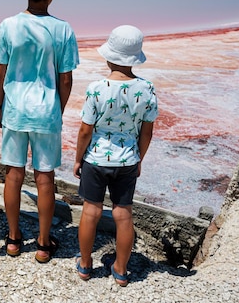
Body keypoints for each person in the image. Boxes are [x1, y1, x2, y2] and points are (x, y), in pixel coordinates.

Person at [0, 0, 79, 263]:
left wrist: (1, 105)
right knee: (45, 178)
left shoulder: (9, 25)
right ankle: (43, 244)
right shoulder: (62, 29)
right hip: (46, 111)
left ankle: (14, 239)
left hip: (15, 108)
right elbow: (66, 79)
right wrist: (58, 108)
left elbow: (0, 73)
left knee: (13, 174)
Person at [73, 25, 158, 286]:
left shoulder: (98, 87)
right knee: (123, 214)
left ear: (109, 57)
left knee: (91, 211)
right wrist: (139, 159)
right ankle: (121, 269)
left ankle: (86, 264)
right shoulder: (146, 89)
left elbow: (86, 130)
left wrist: (78, 159)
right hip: (128, 160)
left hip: (96, 160)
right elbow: (147, 132)